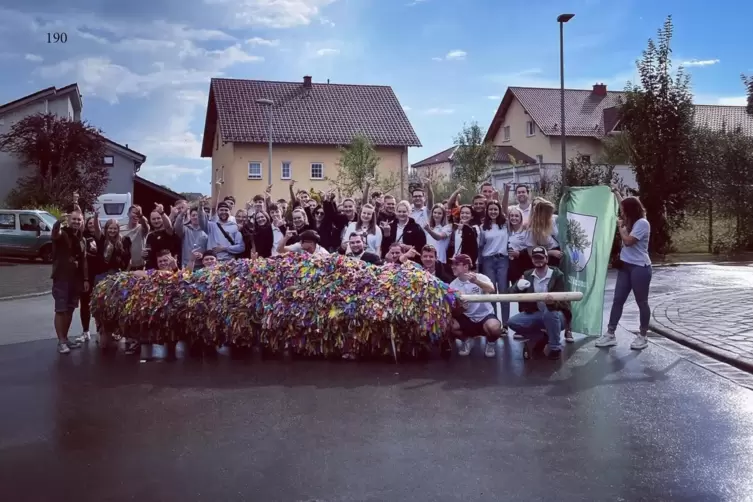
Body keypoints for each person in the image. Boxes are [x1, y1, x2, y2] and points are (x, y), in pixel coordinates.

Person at [596, 190, 652, 351]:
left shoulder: (642, 223)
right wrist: (616, 192)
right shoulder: (631, 219)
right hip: (626, 266)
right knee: (618, 300)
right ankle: (610, 333)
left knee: (642, 302)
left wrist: (620, 228)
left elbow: (628, 242)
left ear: (630, 211)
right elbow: (624, 204)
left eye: (623, 211)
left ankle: (642, 336)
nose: (621, 213)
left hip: (640, 267)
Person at [507, 246, 570, 360]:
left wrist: (552, 303)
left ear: (546, 259)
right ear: (532, 260)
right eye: (535, 258)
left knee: (550, 313)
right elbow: (510, 293)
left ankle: (555, 347)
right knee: (513, 322)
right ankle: (541, 337)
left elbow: (563, 301)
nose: (538, 260)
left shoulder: (557, 274)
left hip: (556, 314)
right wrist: (518, 286)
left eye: (541, 258)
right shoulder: (527, 274)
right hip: (536, 313)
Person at [51, 206, 90, 354]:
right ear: (68, 220)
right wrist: (57, 223)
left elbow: (84, 260)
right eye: (73, 219)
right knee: (61, 310)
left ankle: (65, 339)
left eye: (79, 219)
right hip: (62, 277)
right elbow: (55, 233)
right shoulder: (63, 234)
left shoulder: (82, 239)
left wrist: (85, 279)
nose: (76, 222)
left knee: (70, 309)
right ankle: (61, 341)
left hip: (76, 280)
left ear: (82, 222)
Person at [448, 254, 501, 357]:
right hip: (467, 318)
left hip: (485, 316)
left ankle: (490, 343)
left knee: (494, 328)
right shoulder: (453, 285)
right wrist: (461, 309)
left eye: (456, 264)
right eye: (452, 264)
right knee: (448, 325)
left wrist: (476, 281)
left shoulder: (480, 277)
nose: (452, 266)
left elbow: (491, 289)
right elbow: (453, 311)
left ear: (466, 267)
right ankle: (467, 340)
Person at [478, 199, 511, 334]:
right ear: (487, 211)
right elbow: (481, 246)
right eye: (490, 209)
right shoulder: (483, 228)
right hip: (488, 261)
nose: (493, 212)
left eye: (495, 209)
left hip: (502, 259)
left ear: (499, 211)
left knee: (503, 292)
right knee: (491, 292)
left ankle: (506, 324)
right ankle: (495, 323)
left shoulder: (505, 225)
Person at [174, 201, 209, 268]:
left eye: (197, 215)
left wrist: (203, 255)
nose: (195, 217)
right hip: (187, 264)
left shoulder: (207, 230)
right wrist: (182, 213)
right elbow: (177, 227)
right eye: (193, 215)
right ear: (190, 217)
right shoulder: (185, 229)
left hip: (203, 265)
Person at [446, 204, 479, 269]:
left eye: (467, 213)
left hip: (468, 264)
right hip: (456, 262)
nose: (464, 215)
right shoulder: (456, 229)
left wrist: (465, 227)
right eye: (462, 213)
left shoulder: (475, 228)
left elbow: (471, 237)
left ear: (472, 216)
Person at [144, 203, 176, 270]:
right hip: (153, 270)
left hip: (169, 268)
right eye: (153, 219)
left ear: (162, 218)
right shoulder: (150, 235)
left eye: (158, 218)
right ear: (150, 220)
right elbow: (148, 253)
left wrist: (162, 212)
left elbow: (168, 226)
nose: (156, 221)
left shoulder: (168, 231)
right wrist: (143, 255)